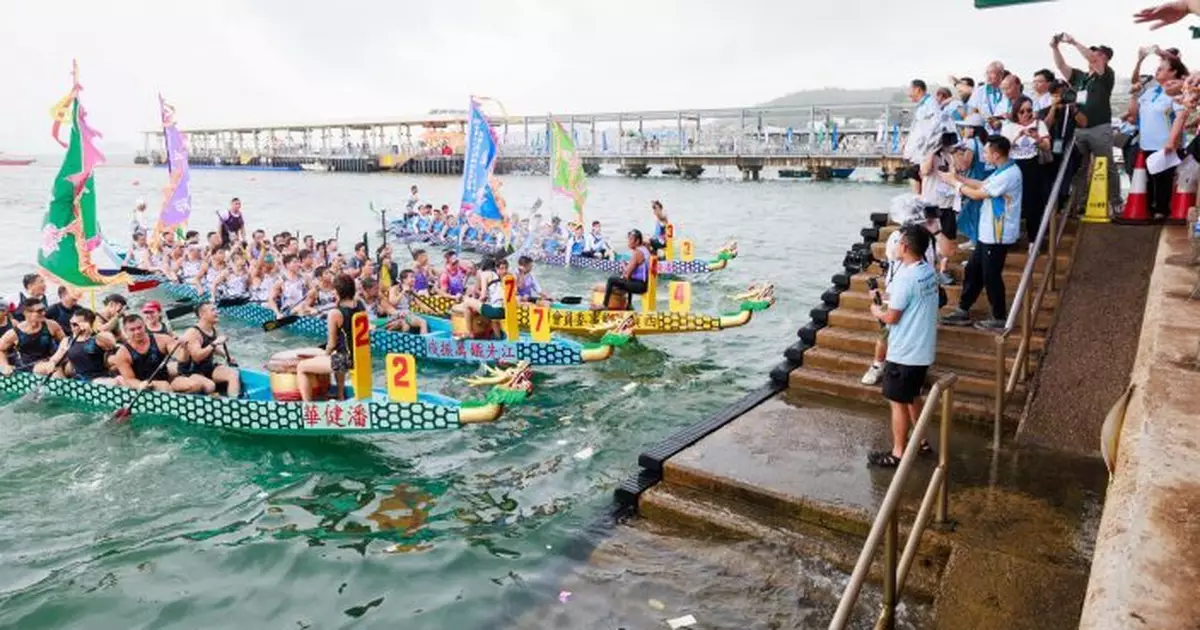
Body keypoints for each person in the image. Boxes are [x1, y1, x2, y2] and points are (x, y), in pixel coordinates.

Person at [867, 224, 940, 468]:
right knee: (912, 396)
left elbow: (891, 318)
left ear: (906, 247)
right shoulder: (928, 272)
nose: (896, 246)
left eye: (898, 242)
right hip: (921, 350)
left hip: (904, 352)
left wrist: (876, 309)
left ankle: (898, 453)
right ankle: (921, 441)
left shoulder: (905, 278)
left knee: (897, 402)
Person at [940, 136, 1023, 330]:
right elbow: (981, 184)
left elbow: (979, 194)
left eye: (985, 152)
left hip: (998, 235)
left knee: (991, 275)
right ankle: (963, 310)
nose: (983, 155)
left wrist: (956, 184)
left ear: (995, 154)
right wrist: (958, 178)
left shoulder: (1009, 175)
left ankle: (999, 316)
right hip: (988, 234)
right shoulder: (1001, 171)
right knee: (972, 270)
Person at [1052, 34, 1120, 215]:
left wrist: (1074, 42)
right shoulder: (1080, 77)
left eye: (1098, 56)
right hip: (1079, 129)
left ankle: (1115, 202)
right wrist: (1055, 48)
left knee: (1107, 165)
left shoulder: (1106, 75)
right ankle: (1078, 203)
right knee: (1079, 167)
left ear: (1105, 59)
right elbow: (1061, 66)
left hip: (1100, 127)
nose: (1092, 57)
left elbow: (1093, 58)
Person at [1134, 51, 1190, 219]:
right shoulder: (1150, 92)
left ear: (1173, 72)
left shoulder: (1176, 92)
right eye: (1157, 68)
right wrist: (1134, 93)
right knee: (1150, 180)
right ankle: (1150, 210)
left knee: (1164, 180)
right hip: (1146, 144)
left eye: (1161, 68)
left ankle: (1162, 211)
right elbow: (1133, 113)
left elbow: (1180, 117)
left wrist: (1171, 142)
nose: (1157, 71)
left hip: (1165, 145)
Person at [296, 274, 361, 401]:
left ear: (337, 292)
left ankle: (307, 407)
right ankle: (340, 395)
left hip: (344, 361)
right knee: (337, 353)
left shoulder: (335, 313)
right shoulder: (359, 305)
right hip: (360, 356)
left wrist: (324, 355)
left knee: (302, 367)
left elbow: (331, 344)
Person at [1002, 96, 1053, 238]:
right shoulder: (1009, 127)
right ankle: (1011, 236)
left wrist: (1037, 138)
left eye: (1029, 110)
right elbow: (1002, 149)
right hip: (1014, 165)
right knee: (1012, 202)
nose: (1026, 114)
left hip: (1033, 165)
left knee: (1033, 203)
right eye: (1021, 111)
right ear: (1015, 112)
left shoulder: (1038, 124)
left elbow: (1047, 146)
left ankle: (1033, 239)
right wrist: (1018, 135)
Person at [111, 314, 197, 393]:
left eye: (139, 327)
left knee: (194, 385)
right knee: (164, 386)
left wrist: (184, 348)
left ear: (145, 326)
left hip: (167, 380)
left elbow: (182, 359)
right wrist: (140, 385)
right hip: (144, 385)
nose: (137, 332)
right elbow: (130, 379)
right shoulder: (122, 353)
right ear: (125, 331)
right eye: (132, 330)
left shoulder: (162, 339)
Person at [178, 303, 239, 397]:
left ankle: (234, 403)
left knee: (233, 375)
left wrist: (226, 356)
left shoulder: (212, 328)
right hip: (191, 372)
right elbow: (197, 357)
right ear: (202, 314)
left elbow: (212, 348)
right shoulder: (193, 333)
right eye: (213, 310)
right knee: (210, 386)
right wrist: (214, 343)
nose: (217, 312)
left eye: (216, 309)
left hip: (208, 368)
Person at [45, 308, 119, 384]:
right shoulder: (67, 341)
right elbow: (56, 357)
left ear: (87, 324)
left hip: (101, 377)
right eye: (70, 323)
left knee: (117, 381)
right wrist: (52, 363)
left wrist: (91, 330)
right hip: (82, 380)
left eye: (74, 324)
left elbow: (112, 343)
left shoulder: (97, 337)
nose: (71, 327)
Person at [0, 298, 67, 376]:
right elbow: (1, 350)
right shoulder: (14, 333)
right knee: (53, 370)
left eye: (44, 309)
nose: (44, 313)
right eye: (39, 311)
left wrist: (58, 356)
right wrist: (4, 365)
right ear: (26, 313)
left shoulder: (51, 325)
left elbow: (65, 341)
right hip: (27, 368)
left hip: (51, 362)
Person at [901, 79, 942, 194]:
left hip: (924, 156)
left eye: (910, 90)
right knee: (916, 186)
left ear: (917, 90)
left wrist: (929, 157)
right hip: (917, 156)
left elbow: (936, 131)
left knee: (924, 192)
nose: (909, 94)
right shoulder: (922, 106)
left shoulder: (930, 105)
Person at [600, 230, 651, 310]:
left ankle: (604, 305)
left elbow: (627, 273)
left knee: (611, 280)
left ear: (637, 241)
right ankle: (629, 305)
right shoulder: (645, 249)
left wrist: (623, 265)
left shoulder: (637, 253)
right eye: (628, 239)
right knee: (627, 279)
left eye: (630, 239)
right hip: (644, 284)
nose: (628, 242)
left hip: (640, 286)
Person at [459, 257, 507, 338]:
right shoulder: (497, 275)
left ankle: (470, 332)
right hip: (503, 311)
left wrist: (476, 304)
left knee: (467, 303)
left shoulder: (484, 274)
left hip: (495, 311)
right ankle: (498, 338)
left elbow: (483, 295)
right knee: (493, 318)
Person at [968, 61, 1012, 133]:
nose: (988, 76)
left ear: (1001, 74)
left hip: (1004, 132)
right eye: (987, 73)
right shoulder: (979, 92)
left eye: (992, 73)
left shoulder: (1009, 91)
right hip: (984, 132)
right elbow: (972, 111)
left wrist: (1002, 123)